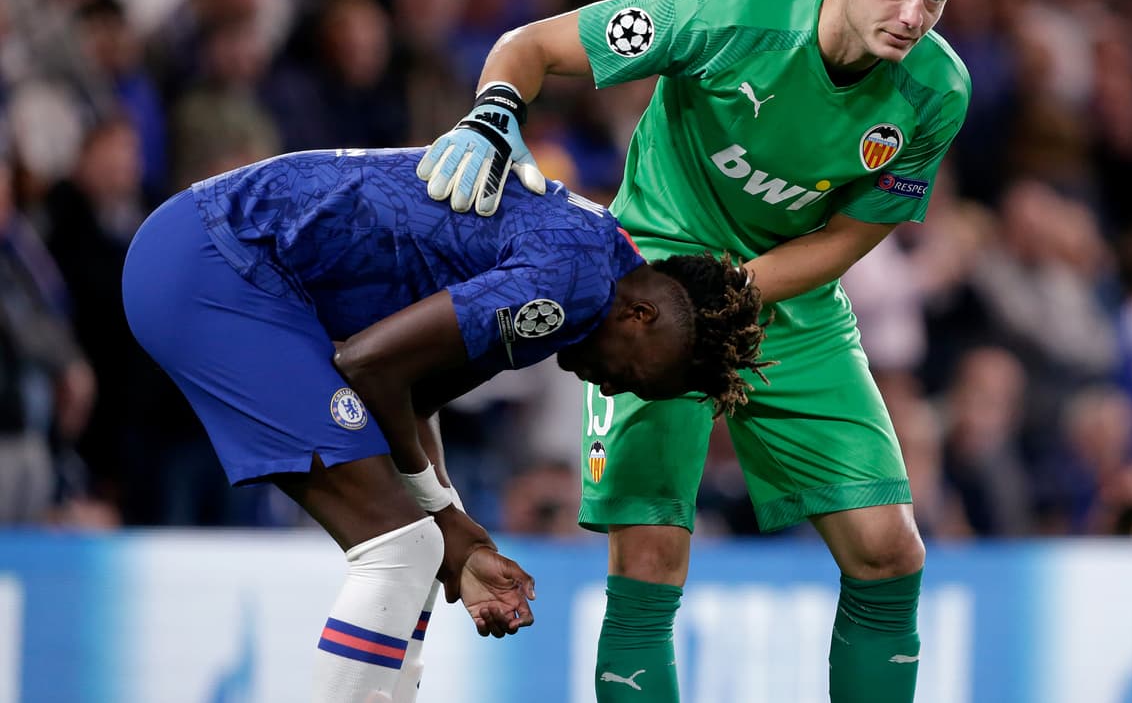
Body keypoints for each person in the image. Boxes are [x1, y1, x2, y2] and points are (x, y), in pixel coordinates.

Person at [419, 0, 970, 703]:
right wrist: (493, 112)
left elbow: (850, 236)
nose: (915, 13)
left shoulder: (937, 93)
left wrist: (735, 287)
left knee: (891, 553)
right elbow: (529, 46)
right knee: (648, 558)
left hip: (783, 292)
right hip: (654, 284)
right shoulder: (724, 14)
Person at [122, 145, 768, 703]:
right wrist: (440, 514)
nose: (614, 385)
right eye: (643, 378)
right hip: (218, 265)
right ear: (643, 317)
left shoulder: (592, 270)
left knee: (423, 547)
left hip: (213, 254)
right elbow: (368, 364)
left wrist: (454, 529)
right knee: (400, 545)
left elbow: (409, 392)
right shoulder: (573, 284)